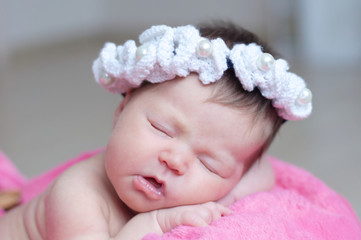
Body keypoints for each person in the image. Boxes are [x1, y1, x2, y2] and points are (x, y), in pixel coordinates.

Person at [0, 22, 312, 239]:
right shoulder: (78, 195)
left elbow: (263, 174)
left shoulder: (208, 185)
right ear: (122, 110)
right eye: (162, 129)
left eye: (209, 163)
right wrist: (156, 222)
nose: (175, 160)